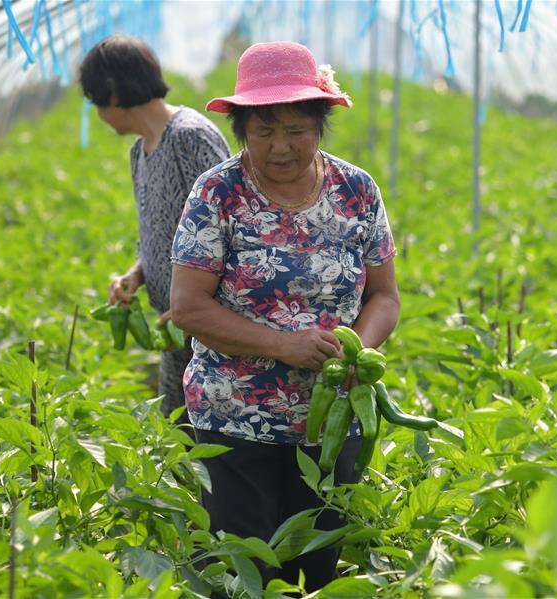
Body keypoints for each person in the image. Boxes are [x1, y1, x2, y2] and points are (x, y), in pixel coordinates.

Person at [168, 41, 400, 591]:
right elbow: (188, 306)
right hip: (234, 421)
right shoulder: (218, 194)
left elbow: (385, 297)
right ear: (242, 128)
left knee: (316, 572)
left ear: (321, 124)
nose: (279, 146)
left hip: (332, 423)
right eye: (263, 130)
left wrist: (355, 352)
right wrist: (283, 344)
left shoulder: (356, 191)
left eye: (295, 129)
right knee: (240, 570)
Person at [78, 35, 231, 424]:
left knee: (211, 440)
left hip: (216, 330)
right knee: (177, 435)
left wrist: (194, 306)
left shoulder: (189, 136)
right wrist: (137, 274)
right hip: (174, 326)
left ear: (112, 93)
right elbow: (161, 233)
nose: (97, 112)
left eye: (95, 100)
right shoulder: (140, 152)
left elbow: (235, 226)